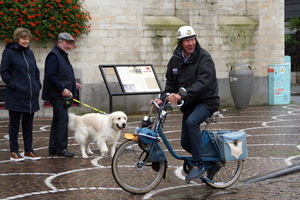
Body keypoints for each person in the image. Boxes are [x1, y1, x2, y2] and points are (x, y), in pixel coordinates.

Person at [151, 26, 220, 180]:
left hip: (207, 100)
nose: (191, 43)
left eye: (192, 39)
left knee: (192, 122)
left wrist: (182, 94)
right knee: (185, 142)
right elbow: (170, 84)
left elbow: (203, 82)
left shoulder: (204, 58)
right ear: (180, 42)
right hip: (190, 103)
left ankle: (199, 163)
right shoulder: (175, 60)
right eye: (187, 41)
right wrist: (162, 98)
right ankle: (212, 161)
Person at [0, 27, 42, 161]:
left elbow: (35, 71)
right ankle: (14, 151)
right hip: (16, 95)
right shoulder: (9, 53)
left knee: (28, 126)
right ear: (17, 39)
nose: (26, 41)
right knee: (14, 125)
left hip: (31, 96)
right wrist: (15, 85)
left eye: (28, 38)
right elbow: (4, 73)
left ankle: (28, 150)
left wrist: (37, 85)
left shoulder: (30, 53)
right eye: (23, 38)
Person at [42, 32, 82, 157]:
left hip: (61, 93)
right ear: (60, 42)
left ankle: (53, 148)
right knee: (62, 120)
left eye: (71, 43)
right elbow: (50, 76)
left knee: (58, 120)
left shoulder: (62, 55)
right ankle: (61, 149)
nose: (69, 46)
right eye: (67, 43)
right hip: (57, 94)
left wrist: (72, 83)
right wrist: (62, 89)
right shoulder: (54, 55)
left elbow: (62, 73)